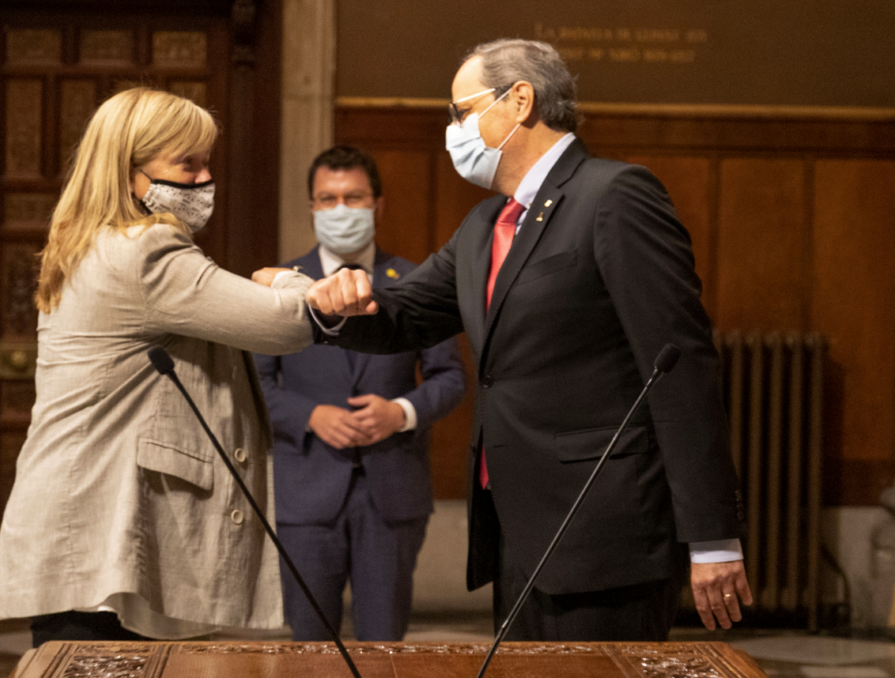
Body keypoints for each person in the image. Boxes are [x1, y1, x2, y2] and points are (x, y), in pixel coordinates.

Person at [302, 39, 752, 641]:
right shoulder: (486, 222)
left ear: (518, 101)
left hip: (603, 532)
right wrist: (307, 298)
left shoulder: (614, 195)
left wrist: (713, 538)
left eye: (461, 112)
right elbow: (400, 316)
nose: (453, 130)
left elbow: (680, 369)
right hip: (519, 528)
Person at [0, 87, 316, 646]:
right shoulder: (144, 251)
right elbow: (287, 323)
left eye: (206, 161)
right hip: (97, 539)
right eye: (185, 163)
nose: (203, 178)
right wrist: (286, 279)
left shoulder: (85, 242)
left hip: (77, 533)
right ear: (128, 172)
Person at [252, 146, 466, 641]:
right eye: (327, 199)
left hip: (391, 494)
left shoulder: (417, 281)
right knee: (309, 651)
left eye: (354, 197)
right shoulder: (280, 286)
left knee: (384, 648)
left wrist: (402, 411)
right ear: (311, 207)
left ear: (378, 205)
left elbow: (450, 378)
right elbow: (257, 385)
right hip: (305, 494)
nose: (340, 209)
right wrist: (311, 415)